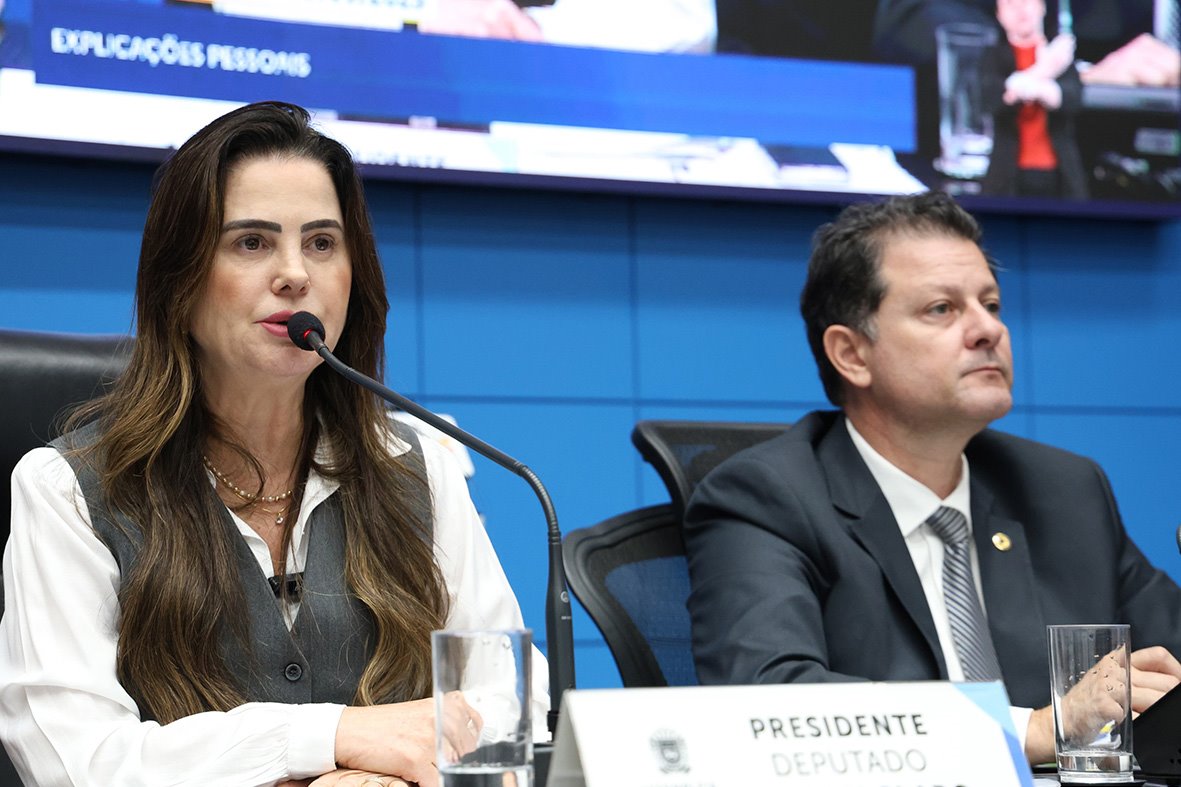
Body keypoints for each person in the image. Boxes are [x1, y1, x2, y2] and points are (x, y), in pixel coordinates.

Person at [0, 101, 548, 787]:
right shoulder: (67, 490)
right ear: (179, 281)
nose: (295, 273)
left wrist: (386, 776)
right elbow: (76, 761)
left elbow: (511, 699)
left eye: (321, 243)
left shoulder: (418, 468)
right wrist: (332, 738)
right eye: (252, 243)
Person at [683, 191, 1181, 764]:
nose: (987, 329)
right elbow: (769, 702)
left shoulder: (1064, 489)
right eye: (941, 309)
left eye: (990, 304)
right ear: (852, 354)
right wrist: (1036, 730)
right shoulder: (765, 499)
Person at [980, 0, 1087, 199]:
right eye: (1010, 4)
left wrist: (1028, 87)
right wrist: (1045, 69)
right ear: (999, 14)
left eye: (1027, 1)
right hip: (1007, 174)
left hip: (1059, 174)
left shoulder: (1062, 57)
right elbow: (992, 99)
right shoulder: (993, 56)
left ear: (1042, 7)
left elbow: (1072, 99)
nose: (1021, 9)